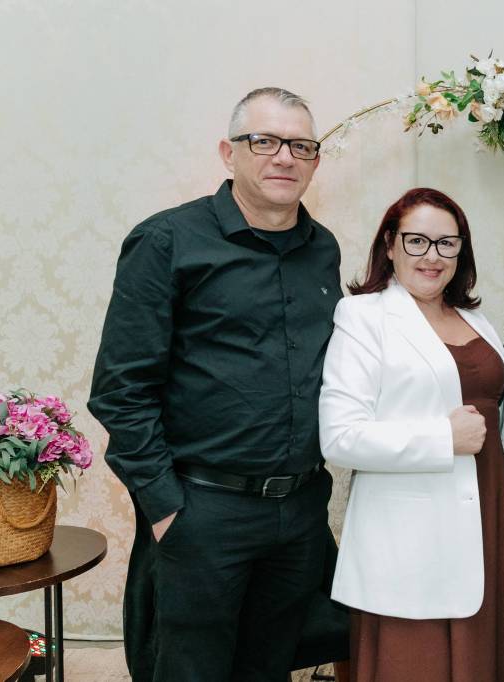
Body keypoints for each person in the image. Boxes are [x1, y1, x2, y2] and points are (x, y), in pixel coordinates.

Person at [89, 87, 342, 682]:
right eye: (265, 141)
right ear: (229, 153)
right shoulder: (167, 241)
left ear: (315, 161)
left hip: (300, 512)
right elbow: (121, 390)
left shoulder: (322, 249)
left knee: (270, 667)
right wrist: (165, 508)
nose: (284, 157)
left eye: (300, 146)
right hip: (203, 512)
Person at [318, 188, 504, 682]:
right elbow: (339, 437)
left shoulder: (477, 320)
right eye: (417, 241)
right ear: (390, 244)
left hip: (487, 522)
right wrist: (441, 439)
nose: (432, 256)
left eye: (446, 244)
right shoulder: (363, 316)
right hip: (411, 545)